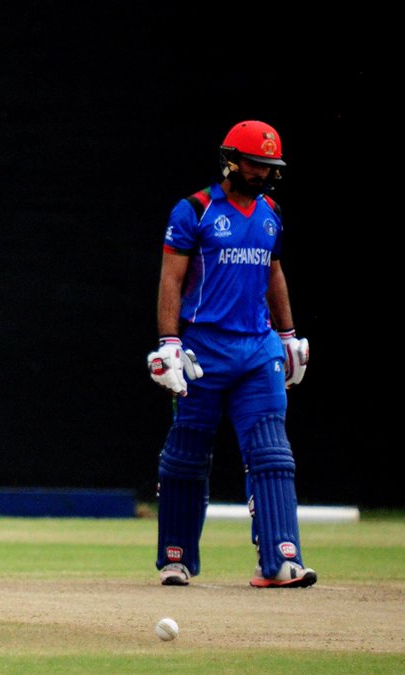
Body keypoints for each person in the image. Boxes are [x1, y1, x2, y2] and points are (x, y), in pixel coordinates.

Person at [147, 120, 315, 589]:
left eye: (268, 166)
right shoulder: (195, 210)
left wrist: (289, 334)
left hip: (258, 350)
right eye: (253, 163)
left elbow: (274, 274)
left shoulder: (271, 212)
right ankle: (177, 559)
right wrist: (168, 343)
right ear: (231, 160)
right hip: (203, 348)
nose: (260, 172)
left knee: (272, 452)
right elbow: (171, 280)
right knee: (186, 455)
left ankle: (282, 559)